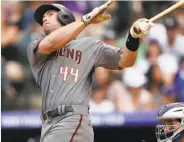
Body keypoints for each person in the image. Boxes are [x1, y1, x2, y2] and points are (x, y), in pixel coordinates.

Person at [27, 2, 153, 142]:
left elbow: (125, 60)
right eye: (43, 17)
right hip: (47, 123)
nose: (44, 18)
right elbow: (51, 43)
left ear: (65, 17)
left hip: (72, 119)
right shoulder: (35, 46)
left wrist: (133, 38)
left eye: (50, 14)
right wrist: (87, 19)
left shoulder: (88, 46)